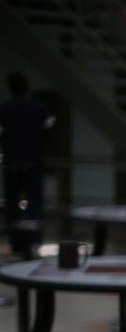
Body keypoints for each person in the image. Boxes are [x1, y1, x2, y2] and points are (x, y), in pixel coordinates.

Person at [0, 72, 55, 258]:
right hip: (33, 161)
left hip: (12, 162)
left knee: (12, 204)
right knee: (34, 204)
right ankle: (34, 240)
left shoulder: (5, 108)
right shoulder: (37, 107)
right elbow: (50, 125)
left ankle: (15, 241)